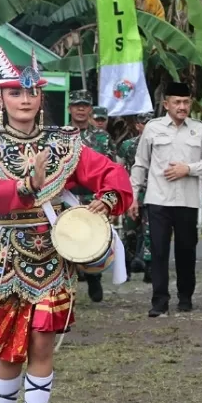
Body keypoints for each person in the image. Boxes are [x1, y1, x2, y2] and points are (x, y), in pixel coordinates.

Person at [0, 46, 132, 403]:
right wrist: (24, 186)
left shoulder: (62, 143)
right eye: (15, 92)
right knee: (8, 349)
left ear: (41, 97)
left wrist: (107, 198)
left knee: (41, 341)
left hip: (54, 256)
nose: (25, 99)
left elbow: (108, 172)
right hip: (6, 258)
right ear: (0, 97)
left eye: (31, 92)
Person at [131, 81, 202, 317]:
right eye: (177, 102)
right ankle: (159, 301)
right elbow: (141, 163)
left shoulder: (199, 129)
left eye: (186, 102)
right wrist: (133, 196)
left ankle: (185, 297)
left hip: (187, 201)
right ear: (166, 103)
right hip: (158, 199)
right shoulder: (153, 128)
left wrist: (187, 169)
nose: (182, 106)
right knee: (158, 251)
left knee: (186, 250)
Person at [68, 89, 116, 303]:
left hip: (92, 197)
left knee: (92, 240)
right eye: (76, 105)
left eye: (84, 105)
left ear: (90, 109)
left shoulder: (102, 138)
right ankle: (65, 287)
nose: (80, 109)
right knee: (66, 239)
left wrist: (108, 200)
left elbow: (111, 170)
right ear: (70, 108)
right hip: (67, 196)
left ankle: (93, 276)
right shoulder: (60, 134)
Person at [117, 112, 154, 282]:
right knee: (130, 232)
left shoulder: (160, 145)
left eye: (149, 122)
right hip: (133, 193)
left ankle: (149, 269)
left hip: (154, 194)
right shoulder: (128, 145)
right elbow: (120, 169)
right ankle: (126, 268)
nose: (145, 125)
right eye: (143, 122)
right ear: (138, 125)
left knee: (150, 232)